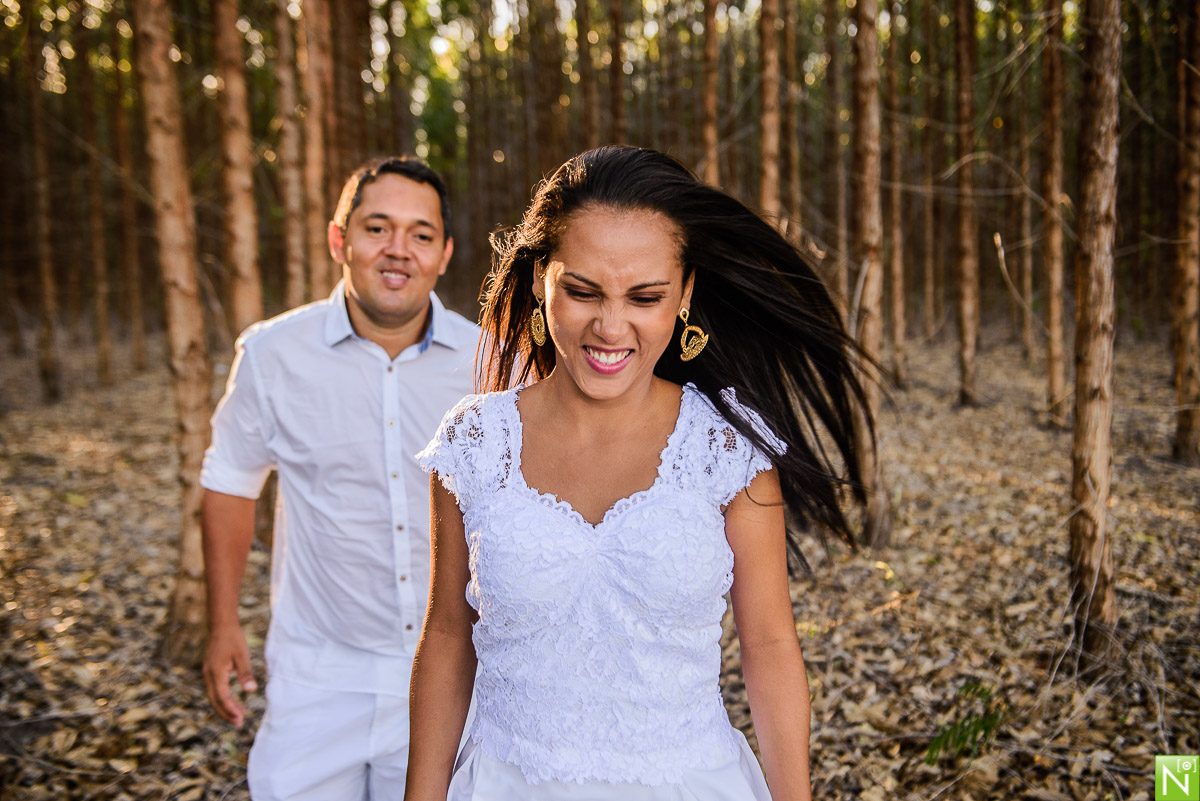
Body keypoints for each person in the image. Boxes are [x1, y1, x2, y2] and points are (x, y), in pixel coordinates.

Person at [405, 145, 872, 801]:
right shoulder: (475, 442)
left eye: (644, 296)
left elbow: (767, 644)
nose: (610, 325)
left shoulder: (728, 450)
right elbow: (449, 637)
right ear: (542, 277)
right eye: (582, 290)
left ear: (684, 294)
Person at [200, 155, 480, 800]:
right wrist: (223, 624)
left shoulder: (486, 361)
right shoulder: (273, 355)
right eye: (377, 228)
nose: (398, 250)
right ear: (340, 241)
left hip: (453, 675)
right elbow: (230, 482)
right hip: (319, 672)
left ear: (444, 254)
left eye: (421, 234)